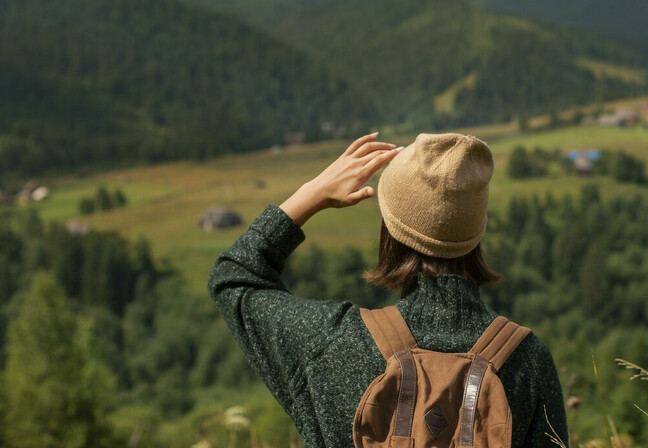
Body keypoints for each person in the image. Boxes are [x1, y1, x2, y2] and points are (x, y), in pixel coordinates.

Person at [208, 132, 568, 447]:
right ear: (477, 231)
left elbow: (234, 275)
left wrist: (311, 194)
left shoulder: (332, 342)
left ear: (390, 229)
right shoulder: (528, 363)